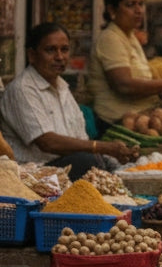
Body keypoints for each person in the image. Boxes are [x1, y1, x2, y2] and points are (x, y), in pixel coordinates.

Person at [0, 23, 139, 179]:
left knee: (116, 166)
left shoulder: (62, 87)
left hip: (65, 166)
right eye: (51, 50)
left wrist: (108, 153)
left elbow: (80, 139)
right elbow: (47, 142)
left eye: (64, 50)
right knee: (88, 161)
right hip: (36, 174)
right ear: (32, 55)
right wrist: (101, 147)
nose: (59, 57)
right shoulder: (22, 89)